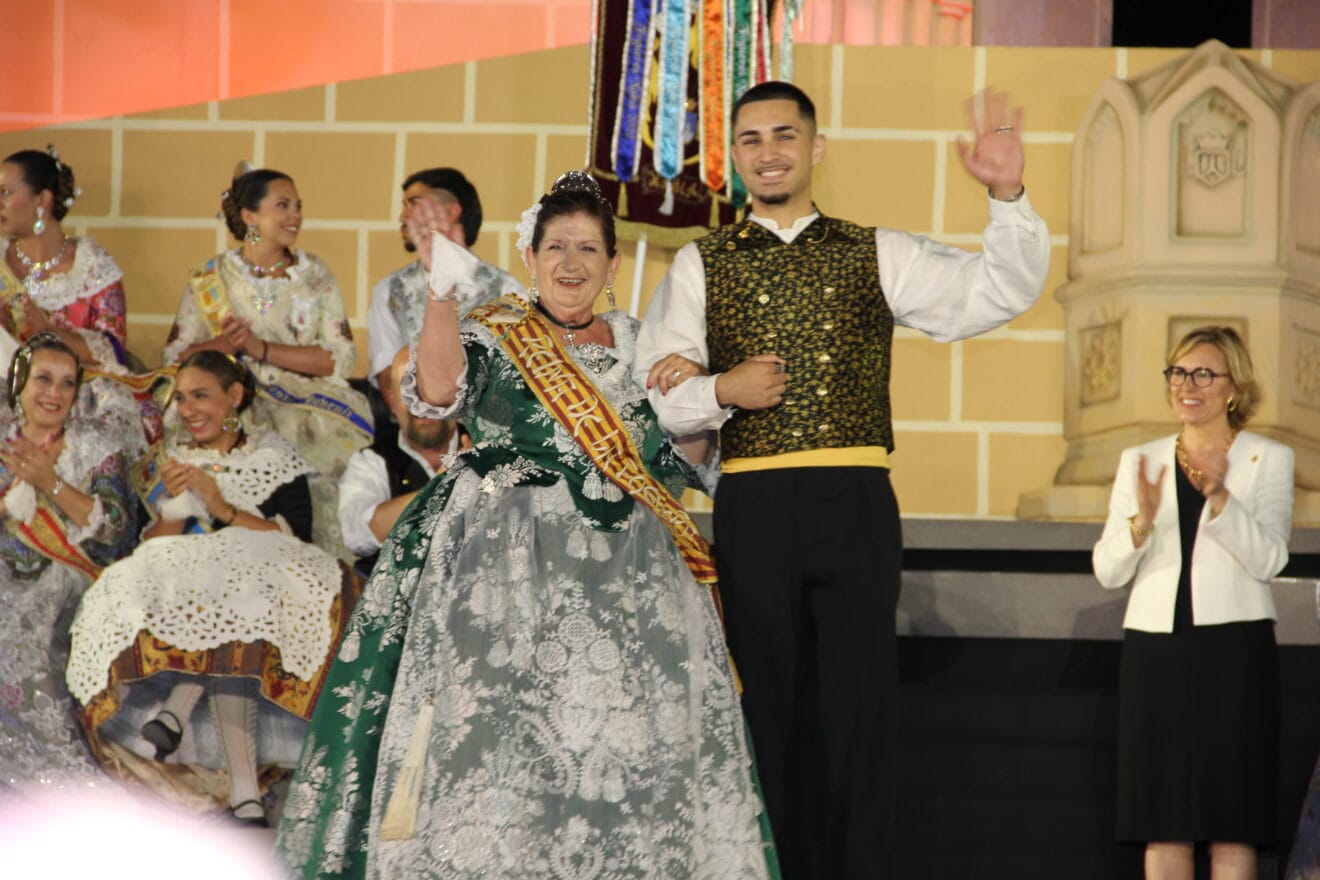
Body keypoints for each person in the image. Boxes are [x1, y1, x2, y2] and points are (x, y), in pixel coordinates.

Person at [275, 172, 773, 879]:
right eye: (557, 247)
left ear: (613, 265)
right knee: (495, 743)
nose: (571, 264)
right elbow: (438, 392)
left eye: (589, 250)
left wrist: (710, 395)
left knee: (621, 746)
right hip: (503, 571)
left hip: (626, 572)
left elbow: (682, 460)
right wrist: (444, 294)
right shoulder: (495, 330)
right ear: (532, 256)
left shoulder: (644, 343)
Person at [635, 81, 1051, 878]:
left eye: (784, 136)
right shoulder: (700, 262)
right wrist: (723, 389)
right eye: (751, 139)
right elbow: (654, 398)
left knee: (862, 711)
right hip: (754, 501)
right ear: (734, 158)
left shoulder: (876, 250)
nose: (769, 152)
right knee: (766, 709)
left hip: (855, 498)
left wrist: (1006, 194)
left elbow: (994, 292)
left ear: (816, 147)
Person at [66, 350, 360, 826]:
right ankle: (243, 793)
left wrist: (218, 503)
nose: (188, 409)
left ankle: (179, 715)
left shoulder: (274, 458)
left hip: (258, 597)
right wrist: (173, 510)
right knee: (193, 609)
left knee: (237, 620)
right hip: (186, 595)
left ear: (234, 397)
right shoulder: (167, 462)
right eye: (181, 398)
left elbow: (294, 540)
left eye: (200, 395)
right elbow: (148, 547)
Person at [1093, 326, 1292, 880]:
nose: (1188, 385)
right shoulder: (1143, 459)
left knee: (1233, 822)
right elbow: (1107, 570)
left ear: (1234, 387)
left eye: (1204, 373)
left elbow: (1270, 560)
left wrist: (1222, 498)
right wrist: (1140, 522)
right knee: (1163, 821)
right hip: (1156, 652)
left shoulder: (1266, 459)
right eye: (1178, 373)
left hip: (1236, 651)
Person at [163, 165, 372, 561]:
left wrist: (262, 350)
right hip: (227, 403)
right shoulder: (211, 277)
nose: (295, 216)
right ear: (249, 217)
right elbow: (174, 359)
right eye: (282, 206)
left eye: (297, 206)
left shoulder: (315, 276)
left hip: (305, 407)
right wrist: (223, 345)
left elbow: (340, 359)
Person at [0, 331, 140, 789]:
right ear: (18, 384)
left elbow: (116, 529)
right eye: (43, 379)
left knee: (30, 628)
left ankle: (54, 782)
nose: (54, 393)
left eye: (66, 383)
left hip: (68, 582)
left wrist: (48, 482)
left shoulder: (95, 445)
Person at [0, 146, 164, 447]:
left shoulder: (91, 263)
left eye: (5, 192)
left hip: (75, 391)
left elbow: (112, 350)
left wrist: (46, 332)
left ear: (42, 200)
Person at [366, 167, 523, 388]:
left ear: (450, 212)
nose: (403, 217)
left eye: (414, 203)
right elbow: (388, 379)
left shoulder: (507, 291)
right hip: (416, 417)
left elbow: (514, 379)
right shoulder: (389, 291)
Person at [338, 345, 468, 577]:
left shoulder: (490, 448)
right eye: (409, 391)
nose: (421, 403)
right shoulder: (371, 462)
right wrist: (439, 486)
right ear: (392, 401)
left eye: (432, 389)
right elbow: (356, 533)